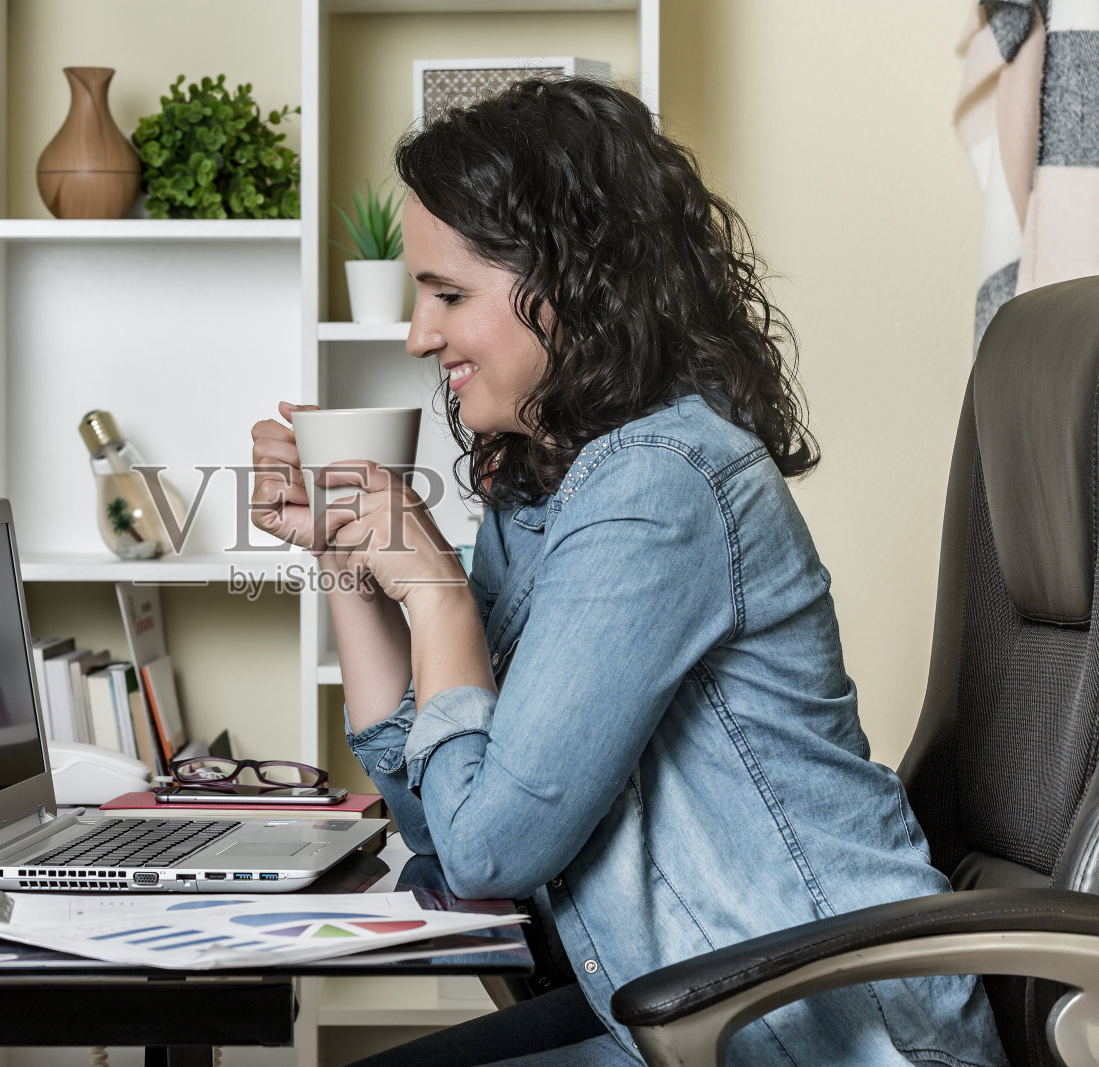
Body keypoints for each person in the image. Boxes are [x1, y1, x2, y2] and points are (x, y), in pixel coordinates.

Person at [247, 79, 1006, 1066]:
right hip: (690, 1010)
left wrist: (433, 590)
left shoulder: (658, 486)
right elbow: (444, 820)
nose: (417, 335)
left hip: (825, 1034)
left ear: (570, 287)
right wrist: (349, 559)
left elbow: (490, 855)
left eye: (446, 295)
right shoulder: (538, 481)